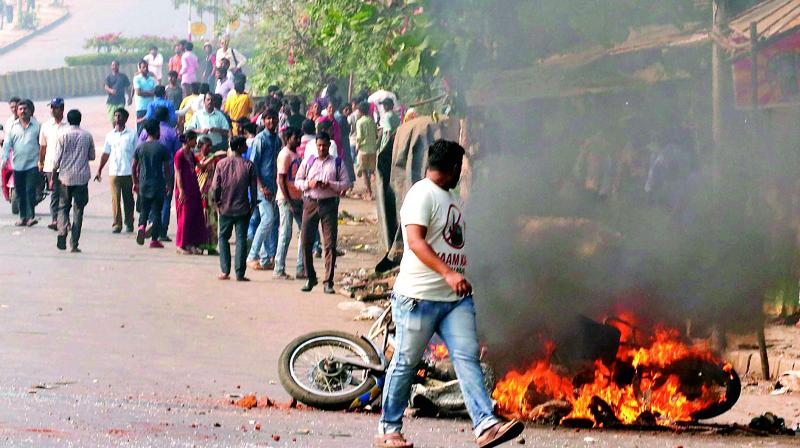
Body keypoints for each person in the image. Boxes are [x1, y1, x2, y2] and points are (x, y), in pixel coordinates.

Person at [376, 140, 523, 448]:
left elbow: (450, 241)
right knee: (405, 362)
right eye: (461, 168)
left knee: (467, 357)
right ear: (455, 168)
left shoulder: (449, 196)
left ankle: (485, 426)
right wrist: (448, 273)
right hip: (419, 298)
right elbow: (415, 242)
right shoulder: (421, 194)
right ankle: (388, 430)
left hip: (454, 300)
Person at [295, 131, 352, 293]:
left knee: (330, 244)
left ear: (329, 146)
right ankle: (310, 277)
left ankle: (328, 281)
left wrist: (331, 185)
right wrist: (309, 183)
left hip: (329, 205)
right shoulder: (308, 161)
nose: (322, 148)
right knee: (306, 241)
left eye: (324, 146)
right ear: (316, 146)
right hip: (310, 203)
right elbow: (298, 181)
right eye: (319, 145)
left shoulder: (337, 162)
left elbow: (346, 183)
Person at [211, 136, 257, 281]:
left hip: (225, 206)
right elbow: (253, 189)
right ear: (239, 148)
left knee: (223, 238)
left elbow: (215, 187)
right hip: (243, 207)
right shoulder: (249, 165)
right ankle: (240, 273)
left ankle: (225, 271)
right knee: (241, 240)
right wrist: (253, 205)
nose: (246, 147)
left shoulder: (221, 164)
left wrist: (217, 202)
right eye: (244, 145)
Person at [52, 109, 95, 253]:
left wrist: (53, 177)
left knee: (63, 207)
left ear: (68, 119)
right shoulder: (87, 136)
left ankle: (62, 232)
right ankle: (74, 243)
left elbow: (56, 160)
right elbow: (92, 156)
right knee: (78, 210)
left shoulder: (62, 135)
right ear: (80, 119)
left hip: (65, 178)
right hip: (82, 178)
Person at [138, 106, 180, 242]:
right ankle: (161, 231)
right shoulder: (172, 132)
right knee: (164, 203)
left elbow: (138, 151)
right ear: (168, 117)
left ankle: (147, 224)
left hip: (146, 172)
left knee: (146, 202)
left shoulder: (146, 132)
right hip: (164, 173)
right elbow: (177, 153)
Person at [247, 108, 281, 271]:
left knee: (271, 222)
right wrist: (261, 187)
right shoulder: (260, 139)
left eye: (273, 118)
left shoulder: (277, 140)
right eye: (268, 119)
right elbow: (253, 166)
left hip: (274, 187)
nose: (271, 122)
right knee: (267, 220)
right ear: (263, 121)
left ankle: (267, 257)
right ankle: (253, 255)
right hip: (262, 187)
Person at [95, 108, 137, 233]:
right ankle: (117, 224)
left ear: (125, 119)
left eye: (119, 116)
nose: (117, 119)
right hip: (114, 172)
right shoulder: (110, 135)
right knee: (115, 199)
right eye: (115, 116)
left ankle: (129, 222)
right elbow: (105, 154)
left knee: (128, 199)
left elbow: (137, 154)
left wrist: (137, 172)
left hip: (128, 172)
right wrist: (99, 170)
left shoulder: (132, 134)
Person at [1, 99, 41, 227]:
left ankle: (30, 217)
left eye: (25, 109)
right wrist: (4, 158)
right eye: (20, 109)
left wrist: (43, 161)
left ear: (30, 111)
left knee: (30, 191)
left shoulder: (37, 126)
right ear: (17, 112)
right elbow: (7, 144)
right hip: (17, 166)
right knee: (20, 193)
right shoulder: (12, 127)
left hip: (33, 165)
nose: (23, 111)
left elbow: (43, 144)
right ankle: (22, 217)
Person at [133, 120, 171, 249]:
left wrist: (135, 182)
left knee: (144, 209)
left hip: (143, 183)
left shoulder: (140, 147)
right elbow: (166, 169)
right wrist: (168, 184)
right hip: (158, 184)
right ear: (157, 131)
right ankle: (154, 240)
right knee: (156, 212)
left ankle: (142, 226)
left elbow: (134, 167)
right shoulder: (162, 148)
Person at [274, 126, 305, 280]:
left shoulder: (296, 154)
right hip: (286, 199)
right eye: (295, 138)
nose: (298, 140)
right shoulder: (285, 154)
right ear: (288, 139)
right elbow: (281, 179)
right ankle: (279, 269)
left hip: (298, 197)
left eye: (299, 137)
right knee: (286, 234)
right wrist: (289, 200)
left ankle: (301, 268)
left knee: (303, 232)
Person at [174, 131, 207, 254]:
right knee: (184, 216)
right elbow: (178, 173)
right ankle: (180, 244)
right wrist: (181, 190)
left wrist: (212, 158)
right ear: (188, 140)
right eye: (194, 140)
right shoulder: (179, 154)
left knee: (195, 215)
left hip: (193, 188)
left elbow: (200, 166)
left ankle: (190, 243)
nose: (195, 142)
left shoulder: (191, 154)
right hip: (184, 189)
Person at [39, 97, 67, 230]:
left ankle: (64, 219)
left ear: (62, 109)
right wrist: (41, 162)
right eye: (51, 107)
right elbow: (43, 147)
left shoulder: (68, 126)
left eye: (55, 107)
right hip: (50, 165)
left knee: (66, 194)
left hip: (66, 165)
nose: (52, 110)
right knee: (55, 193)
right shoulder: (45, 126)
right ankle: (55, 219)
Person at [196, 136, 223, 255]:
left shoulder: (214, 159)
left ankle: (211, 246)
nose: (210, 148)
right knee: (202, 219)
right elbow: (198, 170)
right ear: (200, 146)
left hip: (211, 192)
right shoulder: (196, 158)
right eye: (207, 146)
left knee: (212, 219)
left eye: (211, 146)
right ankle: (200, 245)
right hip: (199, 192)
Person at [355, 101, 378, 200]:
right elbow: (376, 134)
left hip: (363, 149)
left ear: (360, 111)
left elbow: (359, 136)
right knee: (371, 171)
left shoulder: (360, 122)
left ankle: (369, 192)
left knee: (364, 172)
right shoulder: (372, 121)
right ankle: (374, 190)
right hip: (372, 149)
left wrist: (357, 146)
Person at [130, 59, 157, 134]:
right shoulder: (136, 78)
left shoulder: (152, 79)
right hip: (141, 107)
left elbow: (156, 91)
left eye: (147, 67)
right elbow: (138, 92)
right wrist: (151, 93)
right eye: (143, 67)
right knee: (140, 130)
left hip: (151, 107)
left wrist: (145, 93)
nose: (146, 69)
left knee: (151, 129)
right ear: (140, 68)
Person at [104, 60, 130, 124]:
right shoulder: (108, 77)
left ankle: (120, 132)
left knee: (120, 118)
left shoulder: (123, 76)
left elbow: (127, 88)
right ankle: (115, 132)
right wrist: (111, 90)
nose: (114, 66)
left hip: (121, 101)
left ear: (118, 66)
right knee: (113, 120)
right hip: (111, 101)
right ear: (111, 66)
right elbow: (106, 87)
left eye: (116, 65)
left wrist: (130, 98)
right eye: (113, 65)